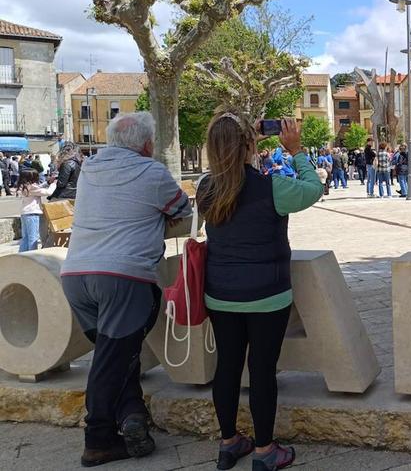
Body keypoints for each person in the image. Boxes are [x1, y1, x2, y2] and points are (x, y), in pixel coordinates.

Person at [61, 112, 192, 467]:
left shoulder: (89, 168)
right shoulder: (151, 171)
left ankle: (132, 414)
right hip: (123, 277)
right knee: (109, 362)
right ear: (148, 145)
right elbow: (183, 210)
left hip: (75, 276)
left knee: (114, 354)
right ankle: (98, 439)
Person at [197, 115, 321, 471]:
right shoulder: (273, 188)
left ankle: (228, 443)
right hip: (268, 294)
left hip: (221, 294)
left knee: (228, 367)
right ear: (250, 145)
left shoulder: (206, 189)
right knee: (262, 369)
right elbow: (312, 189)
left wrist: (243, 144)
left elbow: (230, 178)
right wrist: (295, 151)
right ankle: (265, 451)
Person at [18, 169, 53, 251]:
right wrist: (53, 184)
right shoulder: (32, 187)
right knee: (33, 238)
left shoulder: (24, 186)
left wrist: (47, 183)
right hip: (32, 214)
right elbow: (48, 192)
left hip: (25, 213)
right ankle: (32, 256)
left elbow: (38, 188)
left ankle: (22, 256)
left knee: (25, 237)